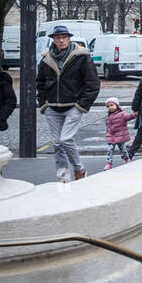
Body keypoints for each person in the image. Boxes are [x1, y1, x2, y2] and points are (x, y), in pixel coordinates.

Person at [36, 25, 100, 182]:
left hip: (73, 106)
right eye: (58, 38)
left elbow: (92, 83)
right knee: (57, 144)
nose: (61, 40)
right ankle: (63, 175)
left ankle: (79, 169)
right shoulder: (46, 59)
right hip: (52, 107)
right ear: (53, 40)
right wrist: (43, 103)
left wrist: (81, 105)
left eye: (64, 37)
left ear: (69, 38)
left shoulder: (82, 57)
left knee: (65, 139)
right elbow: (40, 82)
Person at [102, 99, 136, 169]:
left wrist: (133, 115)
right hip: (111, 136)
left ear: (117, 106)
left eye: (112, 105)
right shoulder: (108, 116)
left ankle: (126, 159)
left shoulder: (122, 114)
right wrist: (107, 134)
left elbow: (128, 117)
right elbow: (108, 127)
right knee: (110, 149)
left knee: (122, 149)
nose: (110, 107)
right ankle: (109, 163)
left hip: (120, 136)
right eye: (108, 106)